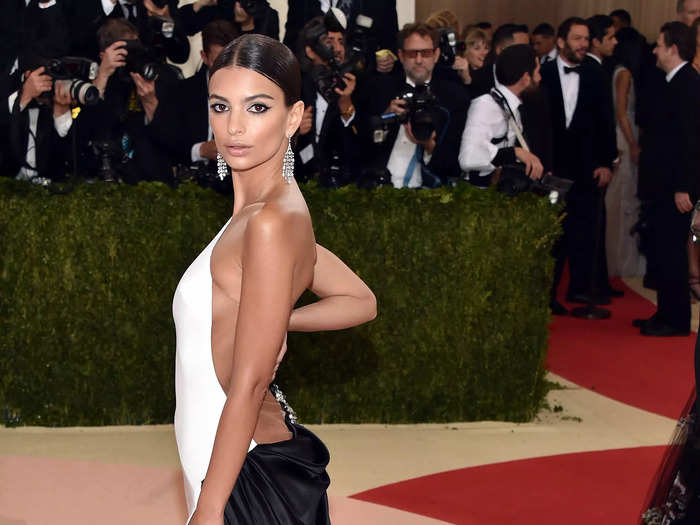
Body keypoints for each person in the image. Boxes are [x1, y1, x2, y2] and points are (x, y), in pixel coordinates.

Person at [173, 33, 377, 525]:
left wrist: (209, 510)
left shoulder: (269, 223)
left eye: (257, 107)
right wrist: (276, 319)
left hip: (238, 473)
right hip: (222, 455)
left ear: (293, 117)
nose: (234, 126)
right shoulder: (265, 215)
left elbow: (250, 381)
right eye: (221, 106)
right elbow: (360, 299)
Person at [540, 17, 616, 307]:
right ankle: (547, 296)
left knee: (585, 231)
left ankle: (581, 291)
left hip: (587, 167)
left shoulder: (597, 73)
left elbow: (605, 121)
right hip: (552, 169)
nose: (584, 44)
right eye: (577, 39)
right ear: (561, 42)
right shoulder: (543, 73)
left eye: (586, 39)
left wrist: (605, 162)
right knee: (552, 235)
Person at [634, 21, 700, 337]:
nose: (655, 50)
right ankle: (664, 314)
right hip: (663, 185)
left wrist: (685, 187)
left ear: (673, 49)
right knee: (663, 251)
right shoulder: (671, 81)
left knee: (672, 254)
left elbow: (692, 142)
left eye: (659, 44)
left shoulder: (689, 83)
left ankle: (675, 321)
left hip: (677, 188)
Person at [356, 22, 469, 188]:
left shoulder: (455, 97)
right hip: (380, 187)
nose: (418, 60)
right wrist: (385, 117)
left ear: (436, 55)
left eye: (426, 53)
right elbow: (359, 146)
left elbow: (457, 163)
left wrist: (429, 146)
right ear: (400, 56)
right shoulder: (378, 89)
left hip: (432, 193)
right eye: (411, 54)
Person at [149, 20, 239, 168]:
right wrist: (200, 150)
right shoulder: (181, 92)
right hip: (193, 181)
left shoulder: (254, 93)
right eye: (218, 61)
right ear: (204, 57)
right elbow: (163, 140)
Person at [459, 44, 544, 187]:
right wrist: (515, 153)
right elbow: (468, 157)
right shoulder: (485, 105)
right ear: (525, 77)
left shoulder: (511, 106)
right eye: (537, 72)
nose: (540, 78)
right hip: (478, 198)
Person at [295, 14, 361, 186]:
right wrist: (293, 132)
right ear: (310, 51)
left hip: (340, 189)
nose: (338, 49)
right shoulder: (293, 90)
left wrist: (346, 105)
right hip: (298, 186)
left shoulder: (355, 85)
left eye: (341, 41)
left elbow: (358, 150)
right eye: (330, 42)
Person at [606, 26, 647, 278]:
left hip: (625, 132)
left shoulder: (618, 71)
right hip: (625, 134)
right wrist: (633, 144)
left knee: (624, 199)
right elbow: (621, 112)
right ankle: (620, 261)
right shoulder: (625, 74)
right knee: (623, 199)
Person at [282, 0, 399, 74]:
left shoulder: (381, 3)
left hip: (364, 85)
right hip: (312, 84)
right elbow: (292, 43)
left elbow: (390, 44)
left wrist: (384, 60)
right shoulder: (300, 3)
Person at [177, 0, 280, 40]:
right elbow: (184, 28)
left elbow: (271, 56)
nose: (238, 5)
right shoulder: (223, 9)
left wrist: (248, 24)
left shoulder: (268, 15)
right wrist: (200, 4)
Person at [452, 28, 490, 98]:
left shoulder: (491, 72)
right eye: (477, 48)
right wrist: (467, 79)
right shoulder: (455, 74)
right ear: (465, 52)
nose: (483, 52)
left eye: (486, 48)